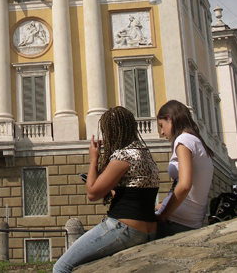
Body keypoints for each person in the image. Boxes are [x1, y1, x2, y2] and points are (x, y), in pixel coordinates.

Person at [53, 107, 160, 273]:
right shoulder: (145, 155)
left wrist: (93, 159)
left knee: (61, 267)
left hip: (125, 228)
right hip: (148, 230)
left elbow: (92, 193)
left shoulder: (123, 156)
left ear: (113, 132)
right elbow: (132, 193)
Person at [155, 100, 214, 238]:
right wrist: (163, 206)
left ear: (170, 118)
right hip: (192, 221)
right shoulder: (197, 142)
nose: (162, 132)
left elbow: (185, 185)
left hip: (177, 223)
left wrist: (164, 215)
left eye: (162, 126)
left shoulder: (183, 141)